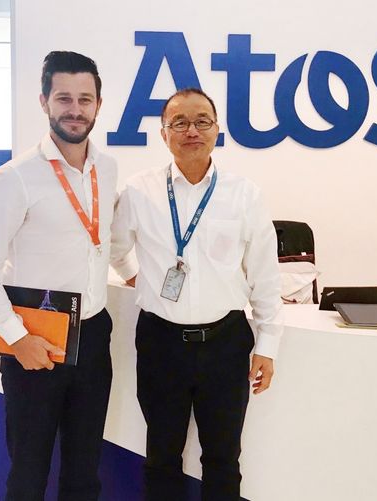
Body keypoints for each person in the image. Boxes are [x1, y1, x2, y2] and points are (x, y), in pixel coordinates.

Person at [0, 51, 135, 501]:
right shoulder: (15, 177)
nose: (75, 109)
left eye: (85, 99)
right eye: (64, 98)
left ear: (99, 104)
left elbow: (104, 240)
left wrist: (133, 275)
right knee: (29, 472)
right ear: (44, 102)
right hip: (36, 339)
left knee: (84, 470)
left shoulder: (107, 168)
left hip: (93, 335)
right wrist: (18, 338)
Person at [110, 88, 284, 501]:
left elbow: (264, 274)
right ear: (163, 133)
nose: (192, 131)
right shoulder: (138, 190)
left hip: (225, 343)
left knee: (223, 459)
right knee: (161, 456)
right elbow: (114, 248)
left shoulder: (244, 194)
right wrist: (136, 277)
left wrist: (268, 343)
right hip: (160, 342)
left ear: (217, 129)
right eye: (180, 123)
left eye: (202, 121)